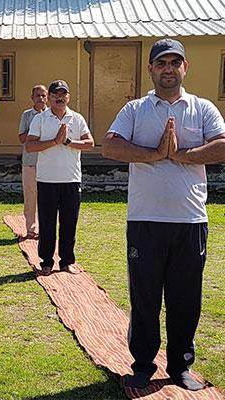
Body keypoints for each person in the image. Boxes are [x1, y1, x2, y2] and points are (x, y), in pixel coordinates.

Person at [102, 38, 225, 391]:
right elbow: (110, 145)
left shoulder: (202, 108)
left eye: (175, 62)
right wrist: (155, 154)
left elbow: (222, 146)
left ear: (185, 67)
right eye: (161, 63)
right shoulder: (135, 109)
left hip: (190, 221)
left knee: (186, 298)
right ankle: (142, 365)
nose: (168, 69)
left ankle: (181, 365)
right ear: (151, 69)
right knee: (145, 297)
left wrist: (183, 155)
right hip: (146, 220)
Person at [25, 80, 94, 276]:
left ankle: (67, 262)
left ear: (68, 97)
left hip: (71, 180)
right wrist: (55, 141)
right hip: (47, 180)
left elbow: (90, 144)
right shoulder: (40, 119)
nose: (60, 98)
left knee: (69, 223)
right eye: (56, 94)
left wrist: (68, 141)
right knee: (47, 224)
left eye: (63, 94)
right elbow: (30, 146)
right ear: (49, 97)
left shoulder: (77, 118)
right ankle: (46, 262)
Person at [18, 84, 48, 239]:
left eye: (43, 95)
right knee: (30, 197)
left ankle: (45, 230)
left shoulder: (52, 115)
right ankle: (31, 230)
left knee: (47, 198)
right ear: (32, 97)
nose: (41, 98)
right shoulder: (27, 115)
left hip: (48, 162)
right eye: (38, 95)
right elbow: (22, 138)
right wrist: (35, 126)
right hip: (30, 161)